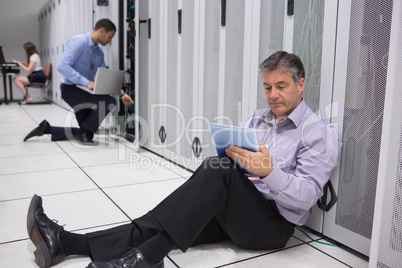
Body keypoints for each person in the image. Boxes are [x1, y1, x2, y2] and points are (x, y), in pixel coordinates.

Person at [26, 51, 341, 268]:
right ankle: (66, 243)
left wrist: (270, 172)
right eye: (267, 87)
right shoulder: (258, 119)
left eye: (281, 86)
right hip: (237, 208)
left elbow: (307, 197)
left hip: (272, 227)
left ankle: (149, 259)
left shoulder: (318, 133)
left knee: (220, 172)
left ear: (301, 85)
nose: (273, 95)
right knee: (164, 225)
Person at [23, 18, 134, 145]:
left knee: (86, 131)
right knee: (109, 101)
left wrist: (122, 93)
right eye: (109, 37)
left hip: (83, 90)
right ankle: (82, 133)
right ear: (102, 31)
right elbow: (62, 66)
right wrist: (87, 82)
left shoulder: (99, 52)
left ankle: (47, 128)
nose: (110, 41)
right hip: (70, 89)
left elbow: (105, 78)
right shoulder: (79, 42)